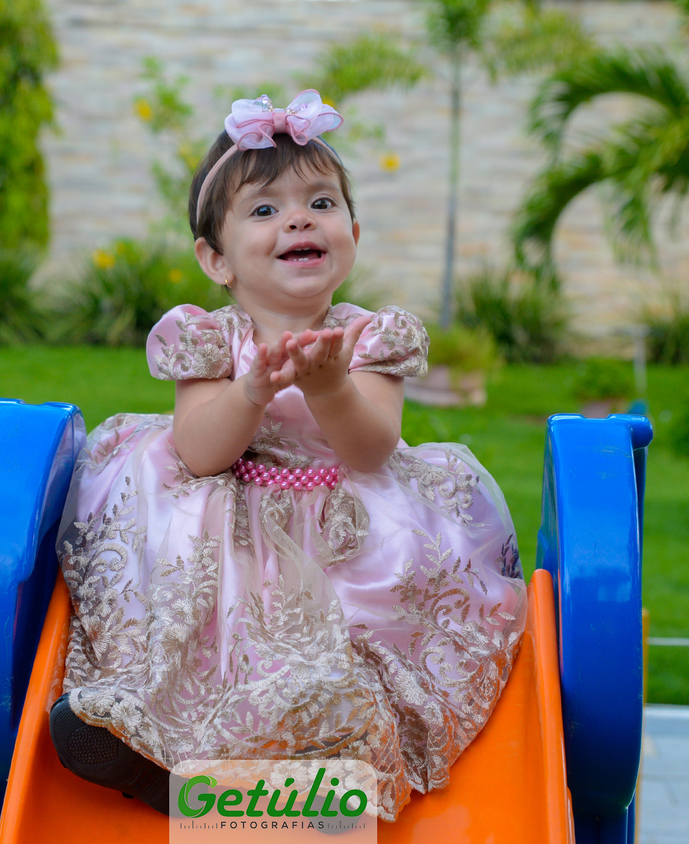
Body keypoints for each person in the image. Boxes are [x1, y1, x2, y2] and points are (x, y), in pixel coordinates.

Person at [49, 90, 526, 821]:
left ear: (352, 234)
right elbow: (198, 452)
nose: (299, 220)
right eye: (265, 209)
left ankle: (320, 778)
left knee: (336, 660)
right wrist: (250, 391)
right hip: (230, 528)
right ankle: (147, 740)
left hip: (349, 530)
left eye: (321, 203)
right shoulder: (209, 337)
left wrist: (331, 386)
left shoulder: (369, 336)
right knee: (201, 620)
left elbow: (372, 449)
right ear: (216, 258)